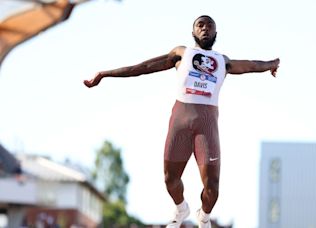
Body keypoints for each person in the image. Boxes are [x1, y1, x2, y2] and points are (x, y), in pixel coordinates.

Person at [84, 15, 280, 228]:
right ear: (193, 32)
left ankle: (203, 217)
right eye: (200, 25)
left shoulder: (222, 61)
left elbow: (252, 65)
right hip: (180, 122)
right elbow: (142, 67)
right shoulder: (182, 53)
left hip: (207, 124)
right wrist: (105, 74)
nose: (205, 28)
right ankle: (181, 208)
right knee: (170, 180)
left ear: (216, 34)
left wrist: (273, 63)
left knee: (212, 187)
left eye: (210, 26)